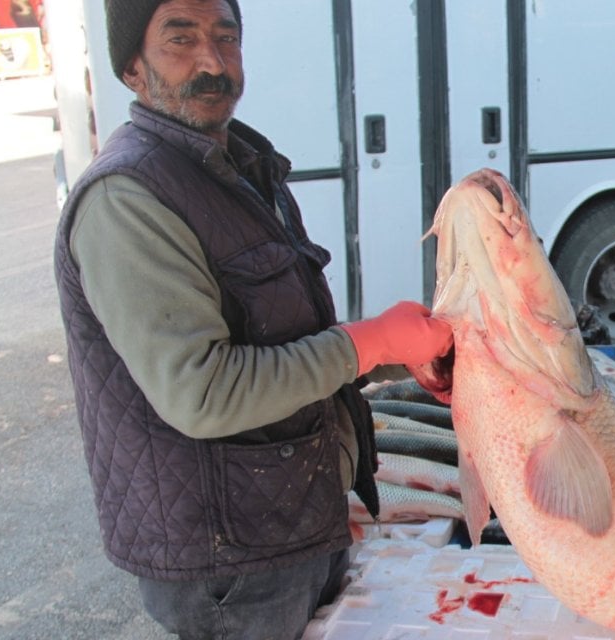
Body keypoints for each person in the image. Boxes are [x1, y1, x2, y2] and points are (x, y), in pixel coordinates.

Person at [52, 1, 453, 638]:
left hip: (289, 525)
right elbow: (203, 393)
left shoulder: (238, 166)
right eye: (180, 39)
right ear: (131, 66)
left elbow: (277, 335)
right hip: (229, 566)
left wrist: (397, 354)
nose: (212, 61)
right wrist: (367, 342)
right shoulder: (127, 197)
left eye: (226, 37)